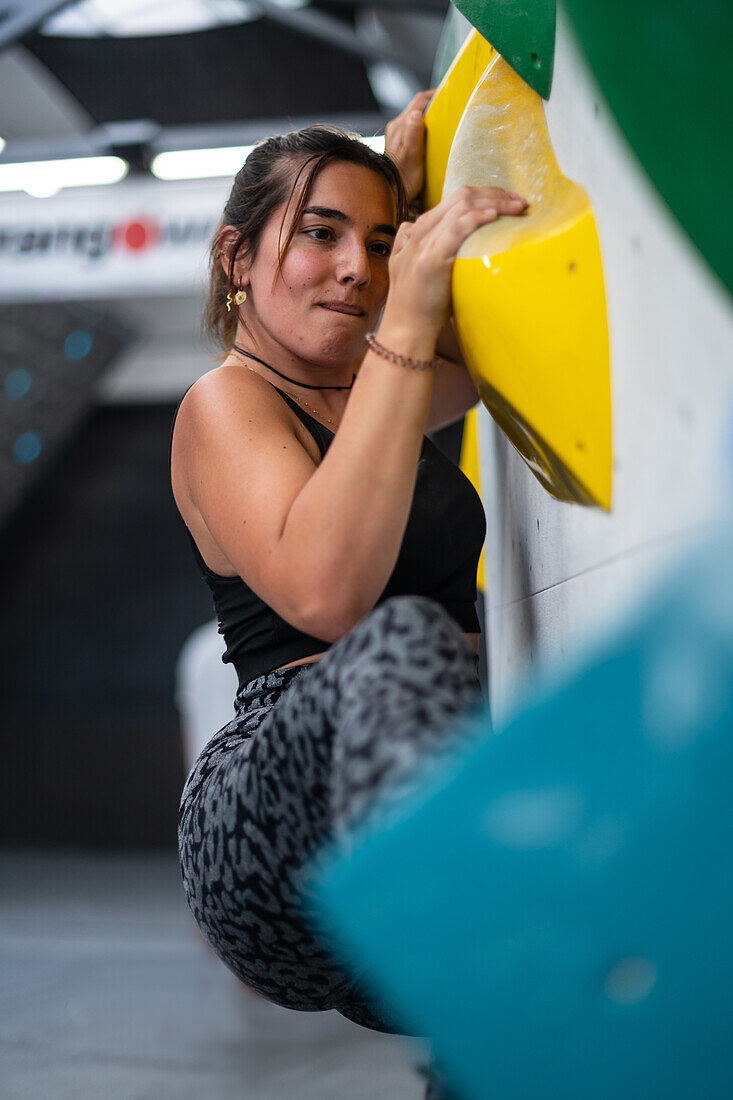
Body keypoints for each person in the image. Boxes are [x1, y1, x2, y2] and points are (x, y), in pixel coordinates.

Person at [171, 91, 527, 1090]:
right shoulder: (223, 404)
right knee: (405, 630)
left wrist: (401, 219)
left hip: (421, 796)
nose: (355, 268)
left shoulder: (382, 384)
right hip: (277, 826)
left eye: (377, 243)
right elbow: (328, 594)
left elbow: (489, 348)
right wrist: (403, 304)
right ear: (237, 258)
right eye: (319, 233)